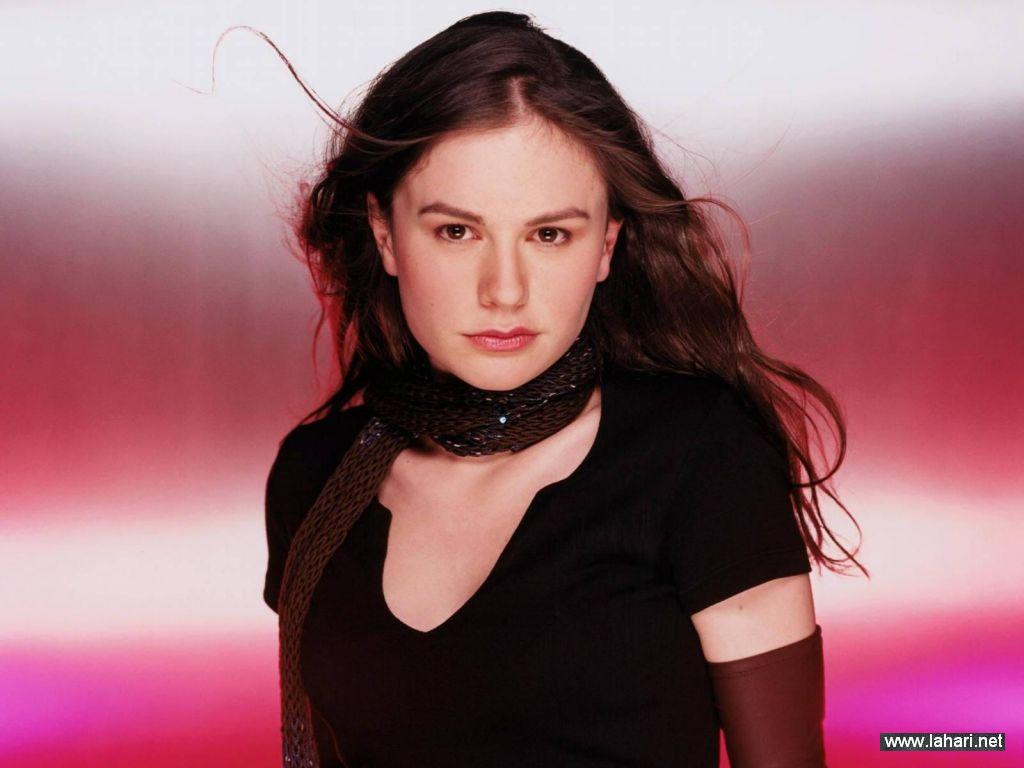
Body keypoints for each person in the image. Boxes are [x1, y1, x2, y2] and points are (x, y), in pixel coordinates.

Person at [258, 11, 867, 768]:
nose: (504, 291)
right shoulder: (314, 479)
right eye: (456, 231)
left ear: (606, 244)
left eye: (549, 235)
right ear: (385, 233)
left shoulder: (702, 458)